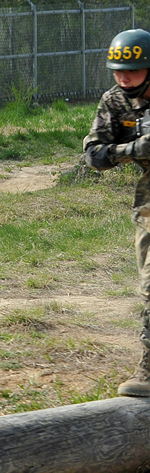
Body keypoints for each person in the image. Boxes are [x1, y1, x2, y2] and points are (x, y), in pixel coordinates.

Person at [84, 29, 150, 396]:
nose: (124, 77)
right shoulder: (114, 101)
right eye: (118, 70)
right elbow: (94, 153)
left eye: (134, 70)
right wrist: (134, 149)